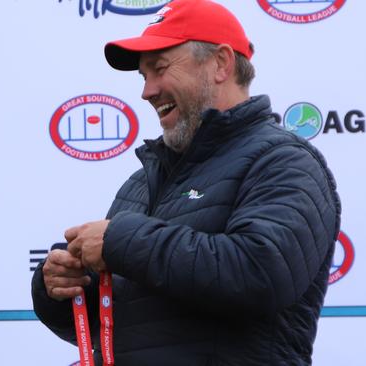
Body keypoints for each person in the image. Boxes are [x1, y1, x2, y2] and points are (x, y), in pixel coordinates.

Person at [31, 0, 341, 365]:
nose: (147, 91)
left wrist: (122, 241)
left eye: (159, 69)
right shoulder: (142, 182)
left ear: (221, 63)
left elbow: (261, 275)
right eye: (143, 77)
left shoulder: (283, 161)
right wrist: (64, 288)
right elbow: (130, 327)